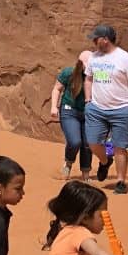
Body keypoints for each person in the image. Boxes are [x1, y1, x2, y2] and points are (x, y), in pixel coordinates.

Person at [84, 24, 128, 194]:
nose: (94, 42)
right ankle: (104, 161)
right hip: (96, 108)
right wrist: (88, 101)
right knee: (93, 143)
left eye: (96, 39)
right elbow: (89, 79)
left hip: (121, 109)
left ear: (105, 40)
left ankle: (120, 181)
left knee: (119, 145)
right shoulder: (94, 58)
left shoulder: (124, 58)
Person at [49, 50, 93, 180]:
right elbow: (57, 89)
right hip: (69, 111)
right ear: (80, 63)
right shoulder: (68, 73)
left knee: (88, 143)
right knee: (75, 141)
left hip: (88, 113)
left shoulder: (97, 75)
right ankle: (68, 163)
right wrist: (53, 106)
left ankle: (86, 175)